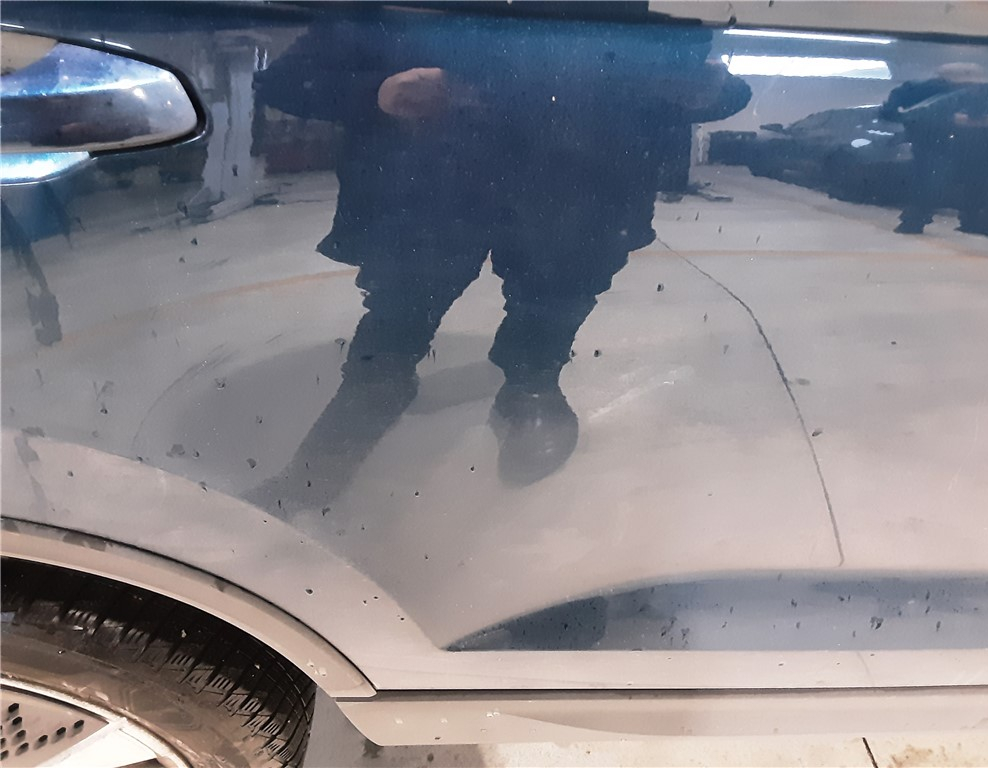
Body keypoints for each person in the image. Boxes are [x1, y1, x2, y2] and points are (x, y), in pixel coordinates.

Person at [250, 6, 750, 510]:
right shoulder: (393, 8)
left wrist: (711, 93)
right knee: (396, 318)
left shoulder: (629, 11)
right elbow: (286, 82)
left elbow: (695, 84)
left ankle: (530, 386)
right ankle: (366, 400)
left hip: (578, 194)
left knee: (554, 305)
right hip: (431, 189)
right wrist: (377, 91)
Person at [882, 62, 988, 239]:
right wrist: (948, 120)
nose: (968, 90)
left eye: (973, 86)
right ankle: (914, 220)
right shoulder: (920, 90)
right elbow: (896, 113)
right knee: (931, 181)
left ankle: (976, 221)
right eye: (960, 86)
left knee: (985, 183)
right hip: (937, 144)